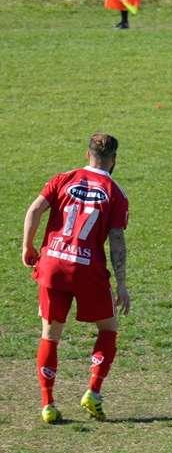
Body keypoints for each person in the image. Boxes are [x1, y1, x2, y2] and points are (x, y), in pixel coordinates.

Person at [21, 134, 130, 424]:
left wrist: (28, 246)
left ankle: (48, 404)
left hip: (53, 265)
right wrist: (121, 283)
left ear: (87, 154)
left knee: (50, 334)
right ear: (114, 159)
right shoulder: (116, 193)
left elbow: (34, 209)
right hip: (88, 270)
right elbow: (116, 240)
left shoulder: (64, 178)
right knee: (108, 329)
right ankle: (93, 392)